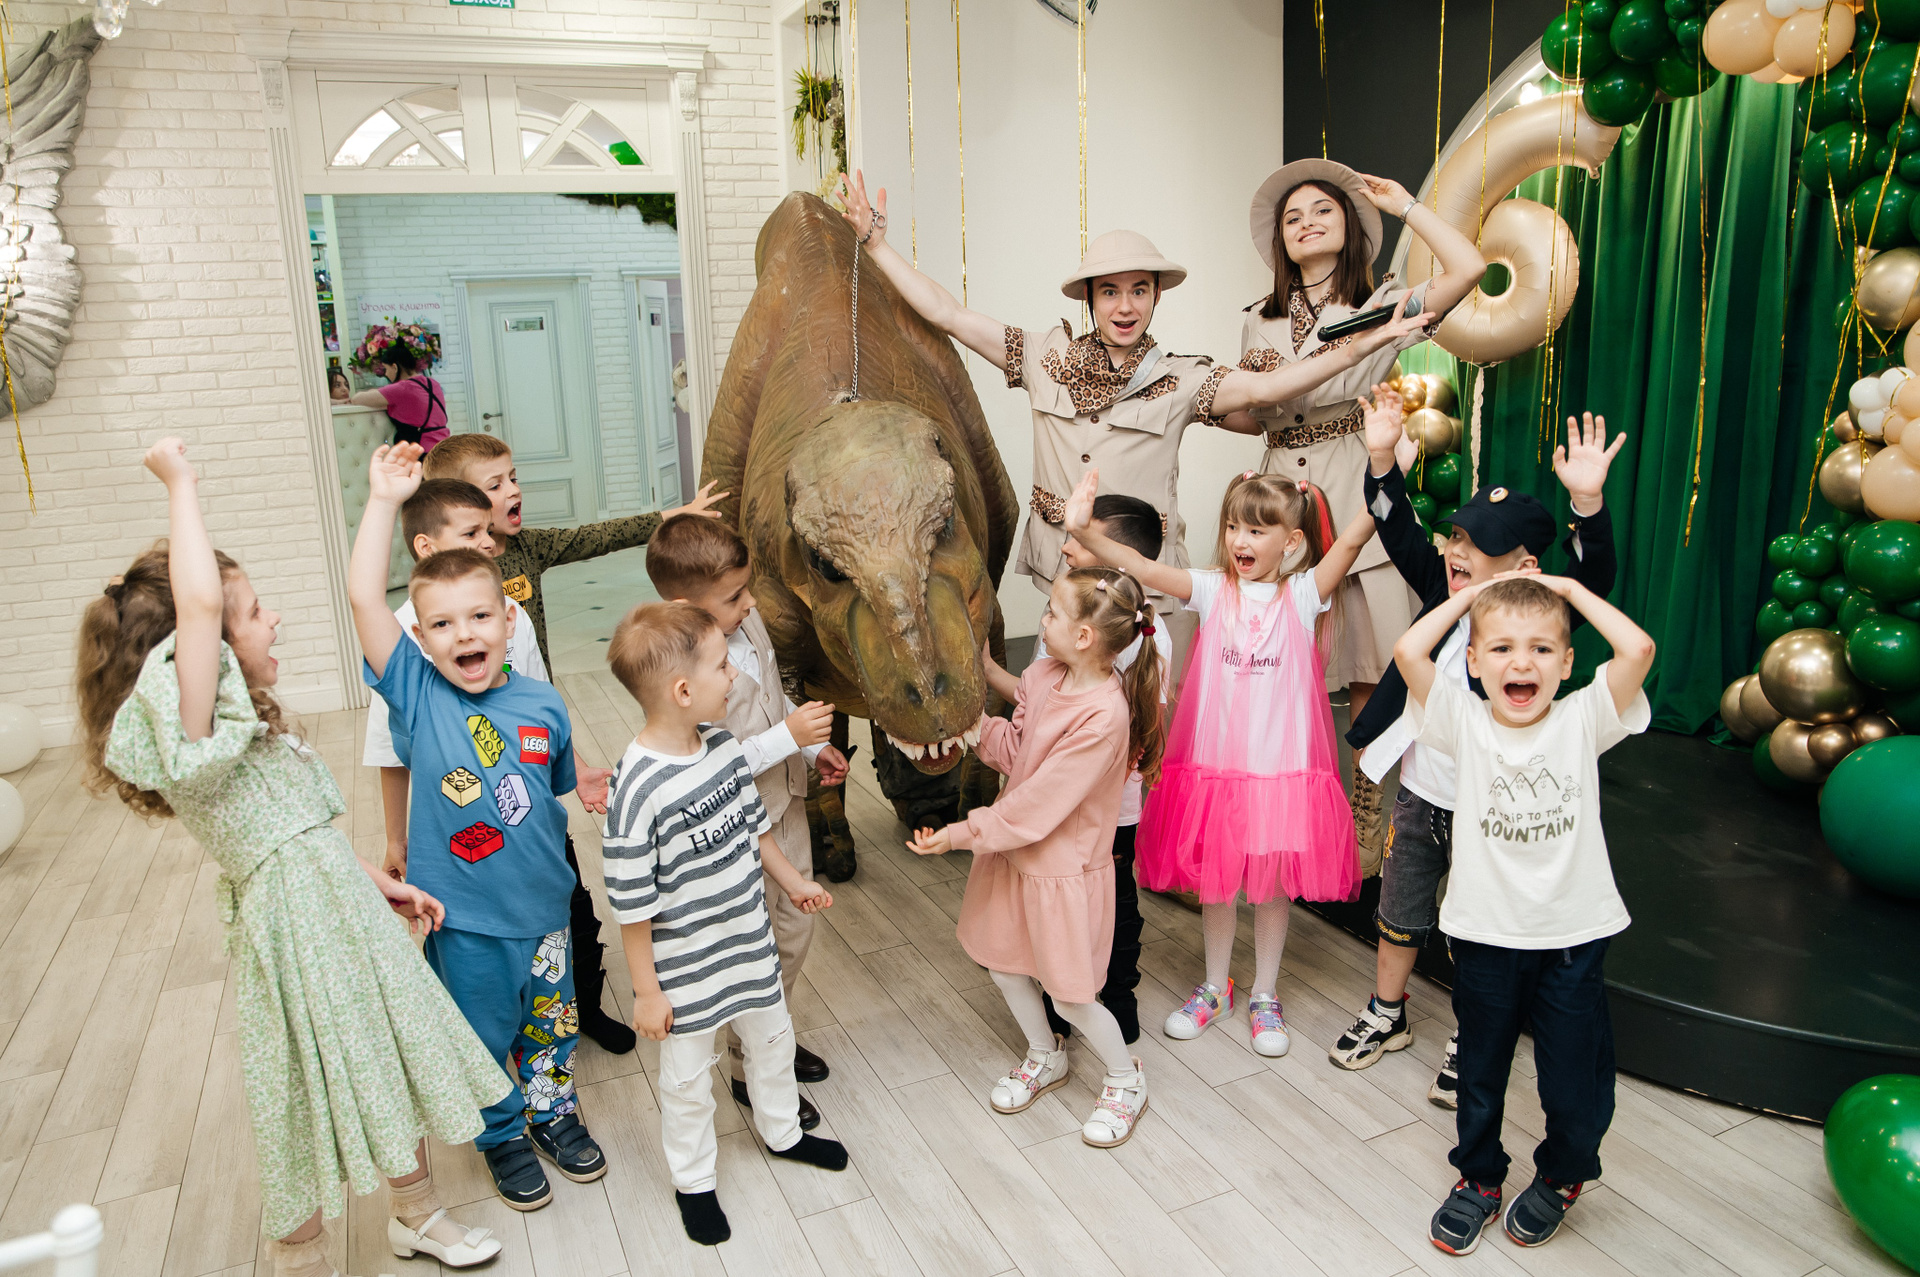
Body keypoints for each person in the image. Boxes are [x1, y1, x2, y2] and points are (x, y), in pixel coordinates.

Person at [82, 438, 507, 1275]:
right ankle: (300, 1254)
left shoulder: (248, 733)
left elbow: (299, 833)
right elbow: (197, 602)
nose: (270, 618)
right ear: (189, 656)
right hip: (297, 938)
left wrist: (378, 883)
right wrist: (181, 481)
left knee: (390, 1049)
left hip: (339, 914)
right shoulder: (195, 733)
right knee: (306, 1092)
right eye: (251, 612)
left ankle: (417, 1212)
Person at [836, 169, 1431, 619]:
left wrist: (1358, 347)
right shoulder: (1044, 356)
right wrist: (876, 245)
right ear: (1090, 298)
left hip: (1148, 584)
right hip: (1067, 573)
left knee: (1152, 728)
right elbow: (949, 313)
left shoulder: (1184, 377)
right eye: (1110, 292)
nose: (1125, 306)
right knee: (1066, 711)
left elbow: (1271, 385)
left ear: (1155, 297)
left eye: (1139, 290)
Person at [1330, 403, 1622, 1112]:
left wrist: (1587, 503)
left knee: (1475, 930)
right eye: (1456, 534)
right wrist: (1380, 459)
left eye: (1476, 544)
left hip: (1488, 811)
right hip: (1420, 795)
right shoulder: (1442, 589)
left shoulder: (1537, 621)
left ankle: (1473, 1036)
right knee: (1398, 908)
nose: (1456, 549)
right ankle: (1387, 1011)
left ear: (1525, 566)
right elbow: (1395, 525)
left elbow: (1596, 576)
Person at [349, 443, 606, 1214]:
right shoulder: (418, 694)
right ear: (421, 638)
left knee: (552, 1025)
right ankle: (500, 1131)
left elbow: (546, 795)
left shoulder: (543, 703)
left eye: (479, 616)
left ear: (508, 618)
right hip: (465, 919)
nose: (464, 633)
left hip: (545, 907)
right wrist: (383, 500)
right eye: (442, 623)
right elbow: (364, 599)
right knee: (482, 1029)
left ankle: (552, 1111)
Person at [1217, 160, 1487, 862]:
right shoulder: (1256, 319)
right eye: (1292, 217)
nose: (1306, 223)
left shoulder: (1386, 301)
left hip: (1357, 482)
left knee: (1370, 660)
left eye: (1322, 211)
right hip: (1280, 496)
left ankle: (1365, 806)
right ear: (1279, 238)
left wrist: (1409, 206)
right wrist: (1212, 408)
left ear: (1351, 226)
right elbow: (1254, 409)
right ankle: (1278, 802)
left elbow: (1469, 269)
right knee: (1274, 660)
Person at [422, 430, 726, 1052]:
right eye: (494, 485)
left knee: (569, 897)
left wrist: (670, 515)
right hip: (473, 779)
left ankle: (581, 1001)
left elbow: (594, 537)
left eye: (512, 478)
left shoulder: (526, 550)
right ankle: (505, 1022)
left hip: (534, 751)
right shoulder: (430, 620)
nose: (512, 491)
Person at [1065, 460, 1380, 1058]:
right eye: (1234, 526)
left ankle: (1265, 992)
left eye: (1258, 530)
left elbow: (1356, 538)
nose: (1241, 540)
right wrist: (1082, 531)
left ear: (1292, 541)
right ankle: (1215, 987)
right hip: (1215, 770)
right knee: (1218, 880)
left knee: (1272, 885)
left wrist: (1387, 468)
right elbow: (1141, 566)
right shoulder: (1212, 589)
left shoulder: (1304, 594)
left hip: (1278, 772)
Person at [1393, 574, 1654, 1255]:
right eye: (1503, 647)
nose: (1522, 662)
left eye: (1541, 649)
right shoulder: (1462, 720)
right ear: (1474, 660)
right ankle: (1479, 1179)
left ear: (1566, 664)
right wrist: (1476, 594)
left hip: (1573, 938)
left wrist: (1566, 587)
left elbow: (1638, 648)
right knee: (1479, 1073)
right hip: (1485, 937)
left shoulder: (1583, 718)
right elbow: (1409, 651)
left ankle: (1564, 1174)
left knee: (1573, 1081)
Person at [601, 602, 848, 1247]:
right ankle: (694, 1182)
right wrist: (647, 992)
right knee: (687, 1080)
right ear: (683, 691)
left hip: (749, 941)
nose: (735, 675)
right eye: (722, 667)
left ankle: (783, 1132)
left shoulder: (721, 748)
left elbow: (753, 829)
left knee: (774, 1042)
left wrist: (793, 882)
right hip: (685, 968)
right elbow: (631, 904)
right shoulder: (638, 787)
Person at [908, 564, 1165, 1147]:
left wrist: (961, 832)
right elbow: (1019, 754)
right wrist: (970, 721)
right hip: (1015, 859)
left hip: (1060, 872)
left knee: (1071, 995)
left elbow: (1039, 804)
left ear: (1084, 636)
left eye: (1051, 611)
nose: (1042, 619)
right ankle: (1045, 1055)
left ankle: (1125, 1079)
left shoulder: (1105, 716)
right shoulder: (1045, 676)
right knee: (1005, 966)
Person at [643, 514, 852, 1129]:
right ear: (685, 608)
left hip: (784, 807)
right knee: (756, 946)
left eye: (747, 589)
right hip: (733, 835)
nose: (750, 604)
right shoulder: (679, 675)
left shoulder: (743, 619)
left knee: (794, 933)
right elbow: (710, 764)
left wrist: (812, 748)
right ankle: (750, 1064)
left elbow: (770, 693)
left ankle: (769, 1035)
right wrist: (788, 737)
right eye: (735, 597)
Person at [982, 493, 1171, 1046]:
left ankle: (1115, 998)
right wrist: (990, 673)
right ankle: (1057, 994)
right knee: (1059, 903)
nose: (1066, 547)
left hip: (1105, 810)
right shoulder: (1071, 625)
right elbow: (1039, 702)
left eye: (1081, 541)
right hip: (1055, 800)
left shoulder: (1132, 642)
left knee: (1113, 903)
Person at [349, 323, 450, 453]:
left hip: (422, 451)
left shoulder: (402, 388)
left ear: (395, 367)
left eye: (386, 369)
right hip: (444, 448)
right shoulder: (433, 383)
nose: (385, 374)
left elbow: (356, 399)